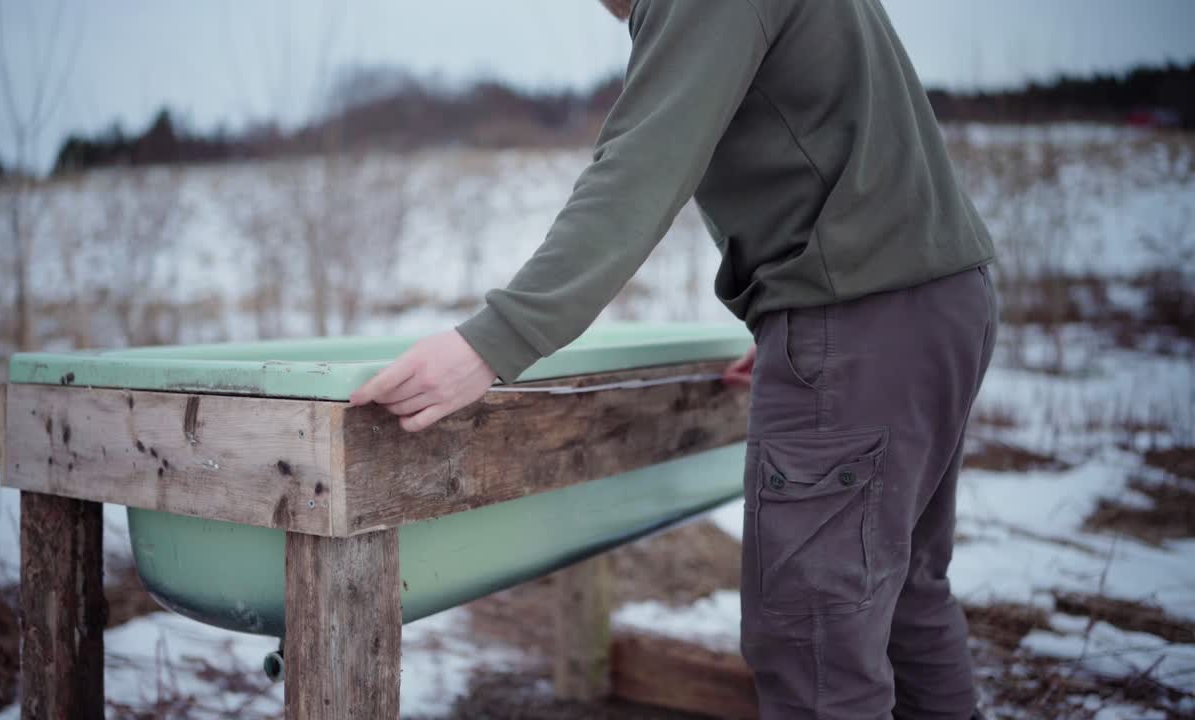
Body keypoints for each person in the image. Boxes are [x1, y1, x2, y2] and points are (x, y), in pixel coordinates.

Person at [350, 1, 997, 717]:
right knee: (903, 597)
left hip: (864, 318)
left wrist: (492, 341)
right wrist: (808, 318)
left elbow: (640, 168)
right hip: (928, 304)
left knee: (815, 641)